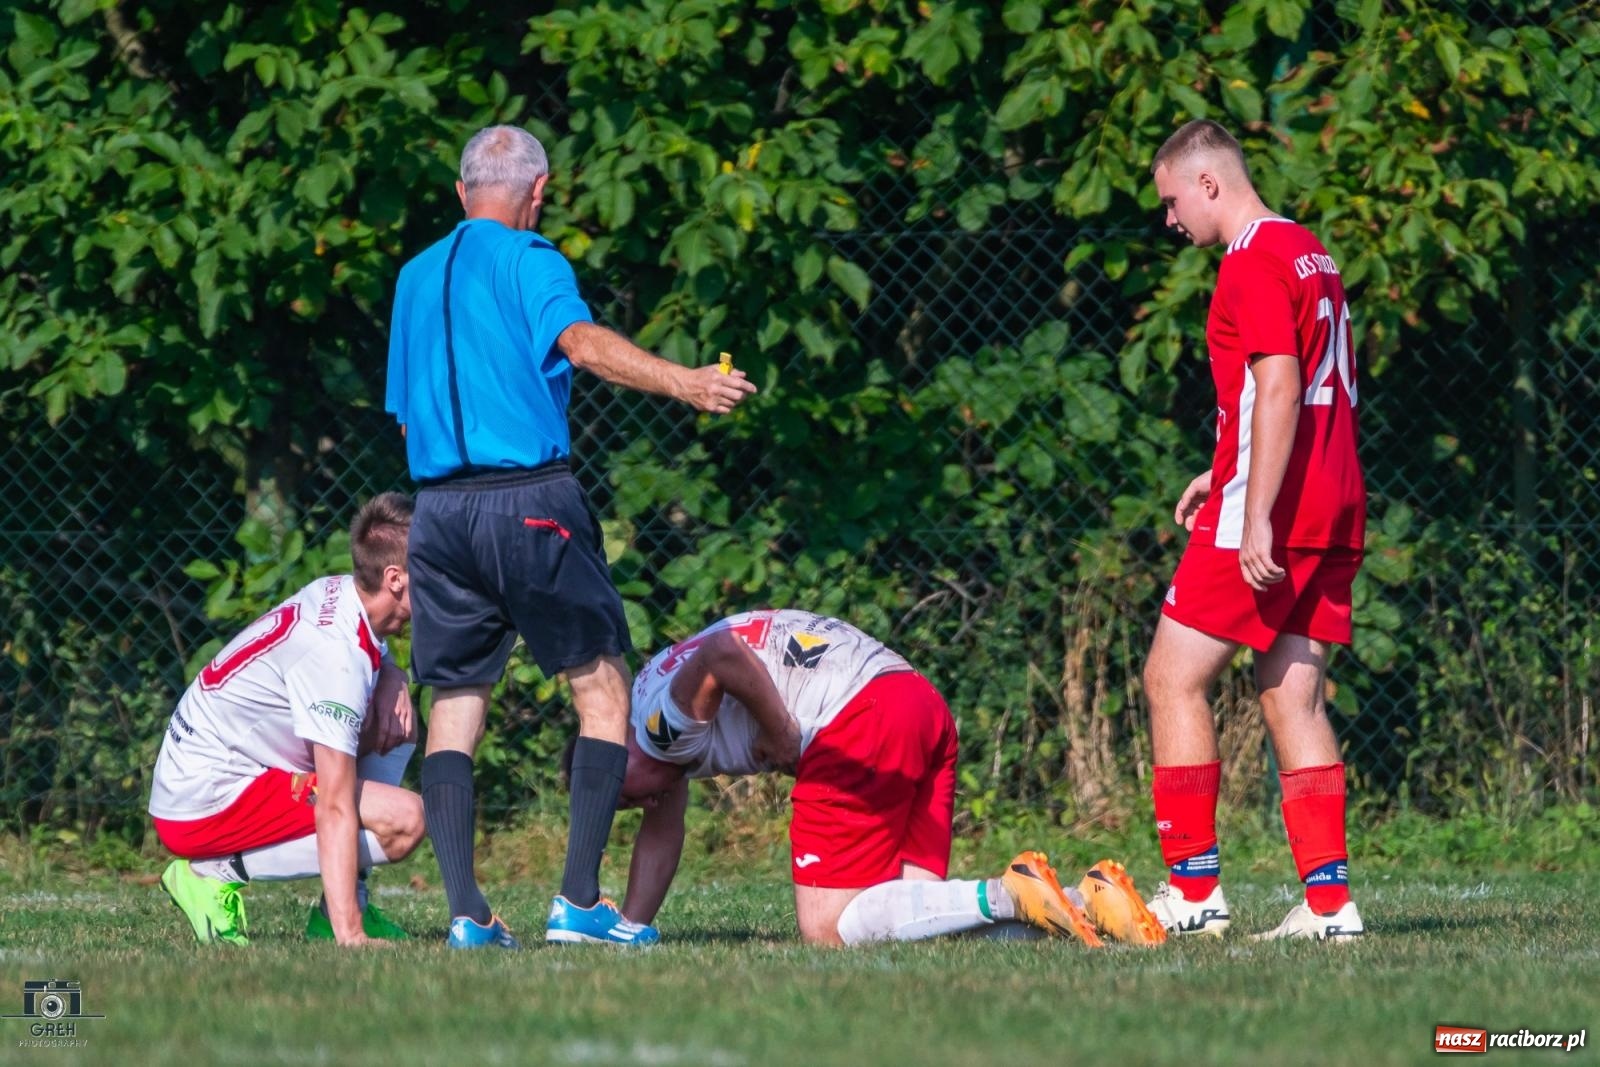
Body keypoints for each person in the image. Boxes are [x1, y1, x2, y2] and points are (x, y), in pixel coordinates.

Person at [385, 124, 757, 949]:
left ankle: (467, 916)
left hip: (437, 510)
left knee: (456, 702)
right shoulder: (533, 260)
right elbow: (580, 344)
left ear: (460, 193)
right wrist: (685, 382)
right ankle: (580, 904)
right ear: (540, 190)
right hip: (530, 498)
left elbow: (405, 409)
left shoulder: (413, 278)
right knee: (601, 688)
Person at [588, 609, 1166, 948]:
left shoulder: (659, 729)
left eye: (630, 793)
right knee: (922, 921)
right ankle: (1088, 903)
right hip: (918, 703)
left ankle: (1009, 889)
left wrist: (782, 733)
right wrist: (631, 929)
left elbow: (722, 652)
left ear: (615, 750)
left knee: (828, 929)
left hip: (855, 719)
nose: (651, 799)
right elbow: (661, 833)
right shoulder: (649, 745)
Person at [1141, 119, 1366, 942]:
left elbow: (1278, 384)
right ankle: (1330, 907)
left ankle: (1193, 889)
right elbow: (1297, 389)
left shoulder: (1249, 264)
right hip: (1335, 494)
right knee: (1290, 692)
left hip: (1277, 508)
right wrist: (1226, 461)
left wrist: (1256, 507)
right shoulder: (1308, 248)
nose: (1171, 222)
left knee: (1171, 676)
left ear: (1209, 183)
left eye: (1172, 202)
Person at [149, 492, 423, 947]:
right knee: (404, 821)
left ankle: (337, 909)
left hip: (216, 771)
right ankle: (212, 873)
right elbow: (334, 805)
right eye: (434, 569)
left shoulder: (346, 593)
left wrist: (391, 672)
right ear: (394, 579)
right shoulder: (336, 658)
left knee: (397, 726)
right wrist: (350, 937)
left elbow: (366, 665)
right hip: (203, 800)